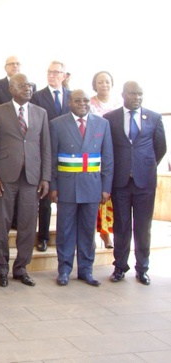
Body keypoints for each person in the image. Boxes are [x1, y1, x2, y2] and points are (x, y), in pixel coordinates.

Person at [0, 73, 51, 287]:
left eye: (30, 85)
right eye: (22, 85)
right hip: (5, 178)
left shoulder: (41, 113)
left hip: (32, 178)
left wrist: (45, 177)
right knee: (1, 224)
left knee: (27, 224)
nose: (28, 88)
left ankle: (21, 268)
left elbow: (46, 147)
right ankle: (2, 269)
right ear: (11, 89)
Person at [49, 89, 113, 287]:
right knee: (65, 231)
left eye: (86, 100)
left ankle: (86, 270)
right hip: (67, 186)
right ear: (70, 102)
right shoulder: (57, 124)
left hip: (92, 187)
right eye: (78, 100)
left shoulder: (102, 123)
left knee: (87, 231)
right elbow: (51, 158)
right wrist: (53, 185)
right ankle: (65, 270)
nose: (82, 104)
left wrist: (105, 187)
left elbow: (108, 157)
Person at [105, 81, 167, 285]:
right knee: (121, 226)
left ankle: (142, 269)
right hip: (120, 182)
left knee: (143, 227)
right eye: (133, 94)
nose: (137, 98)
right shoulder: (110, 119)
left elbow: (161, 148)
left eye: (140, 94)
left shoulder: (154, 118)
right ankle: (120, 267)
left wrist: (144, 165)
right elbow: (108, 150)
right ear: (123, 94)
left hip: (145, 182)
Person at [30, 60, 71, 252]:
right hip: (45, 152)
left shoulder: (73, 97)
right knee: (44, 198)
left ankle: (66, 237)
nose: (52, 75)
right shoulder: (38, 96)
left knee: (67, 199)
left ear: (64, 76)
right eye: (49, 72)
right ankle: (43, 236)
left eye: (56, 72)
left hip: (69, 155)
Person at [88, 71, 122, 249]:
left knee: (112, 197)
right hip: (95, 157)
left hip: (116, 155)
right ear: (95, 84)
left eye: (107, 81)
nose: (104, 85)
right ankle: (99, 234)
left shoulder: (119, 103)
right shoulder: (89, 104)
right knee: (98, 198)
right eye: (100, 82)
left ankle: (110, 232)